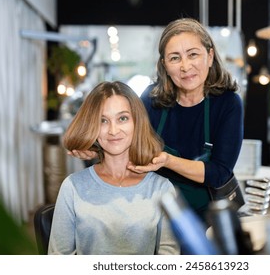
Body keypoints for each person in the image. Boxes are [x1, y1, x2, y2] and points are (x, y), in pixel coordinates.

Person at [71, 18, 244, 221]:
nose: (185, 66)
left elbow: (219, 173)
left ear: (210, 55)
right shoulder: (151, 98)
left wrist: (168, 161)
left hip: (204, 217)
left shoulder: (228, 103)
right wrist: (94, 149)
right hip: (152, 211)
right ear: (164, 64)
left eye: (193, 54)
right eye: (174, 58)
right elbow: (129, 142)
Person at [48, 81, 180, 255]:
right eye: (103, 121)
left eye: (122, 118)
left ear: (136, 122)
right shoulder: (73, 186)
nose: (113, 130)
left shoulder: (162, 189)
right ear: (92, 126)